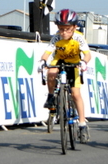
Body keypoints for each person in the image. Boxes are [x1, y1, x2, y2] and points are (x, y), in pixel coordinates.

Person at [39, 9, 93, 142]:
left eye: (68, 29)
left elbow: (87, 54)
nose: (64, 33)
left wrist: (84, 62)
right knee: (51, 72)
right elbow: (47, 52)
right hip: (59, 61)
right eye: (61, 29)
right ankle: (51, 96)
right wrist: (42, 61)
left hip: (74, 63)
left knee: (76, 94)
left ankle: (82, 124)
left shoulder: (79, 37)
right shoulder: (56, 38)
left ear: (75, 27)